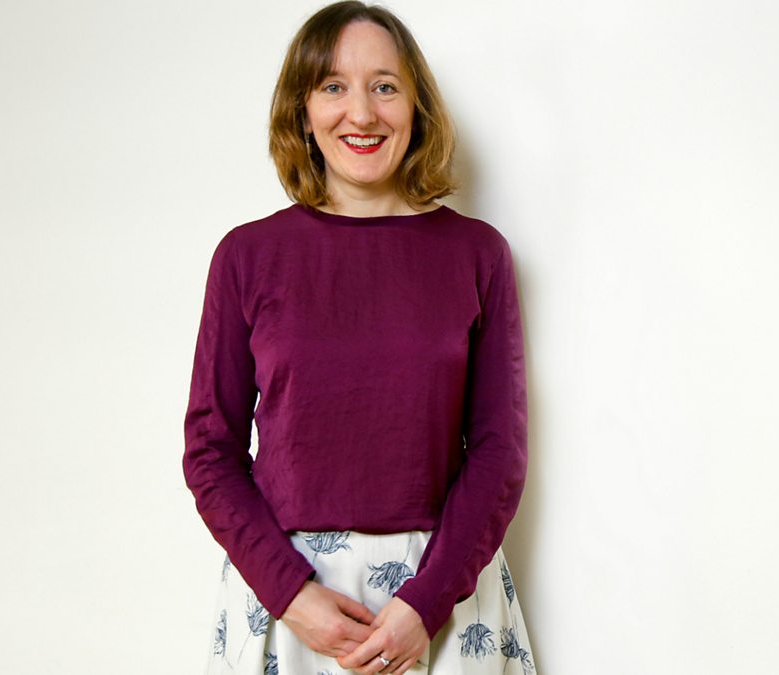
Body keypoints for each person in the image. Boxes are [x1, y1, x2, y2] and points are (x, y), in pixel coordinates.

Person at [182, 2, 535, 674]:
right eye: (334, 86)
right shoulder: (246, 257)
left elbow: (499, 453)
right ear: (303, 109)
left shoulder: (477, 254)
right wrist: (292, 594)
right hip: (291, 600)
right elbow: (209, 451)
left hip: (442, 594)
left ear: (416, 106)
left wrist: (425, 603)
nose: (363, 114)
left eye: (385, 86)